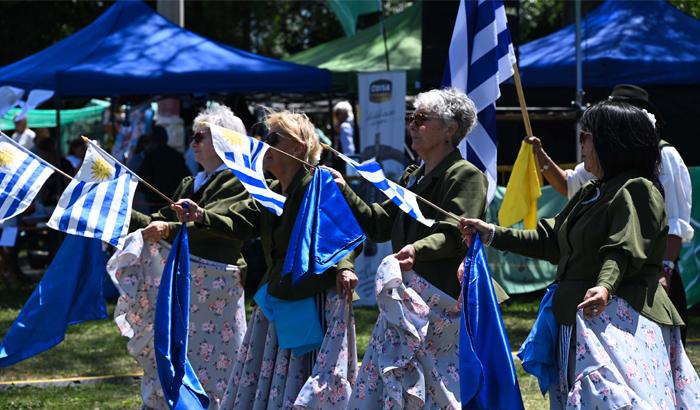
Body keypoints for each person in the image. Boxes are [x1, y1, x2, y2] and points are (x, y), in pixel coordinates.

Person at [461, 100, 700, 408]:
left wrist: (604, 286)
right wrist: (492, 233)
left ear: (611, 141)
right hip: (579, 318)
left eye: (585, 136)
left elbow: (623, 249)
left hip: (619, 321)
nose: (581, 144)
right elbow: (551, 240)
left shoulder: (637, 188)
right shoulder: (593, 191)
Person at [329, 87, 505, 408]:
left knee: (437, 392)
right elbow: (380, 224)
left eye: (422, 119)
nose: (412, 124)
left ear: (450, 130)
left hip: (438, 301)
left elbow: (454, 232)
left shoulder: (466, 176)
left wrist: (416, 249)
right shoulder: (412, 175)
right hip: (405, 298)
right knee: (387, 385)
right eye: (412, 117)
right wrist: (345, 191)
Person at [173, 110, 359, 409]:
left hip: (316, 301)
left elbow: (342, 233)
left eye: (273, 138)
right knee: (270, 379)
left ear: (298, 147)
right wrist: (202, 215)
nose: (263, 144)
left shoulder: (319, 184)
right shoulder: (270, 191)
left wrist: (345, 268)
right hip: (279, 297)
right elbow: (240, 221)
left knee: (312, 381)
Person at [528, 84, 693, 344]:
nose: (585, 139)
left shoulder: (664, 155)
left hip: (653, 270)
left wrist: (666, 269)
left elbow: (675, 220)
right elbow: (569, 185)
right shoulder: (605, 165)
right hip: (611, 283)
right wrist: (540, 156)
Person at [111, 104, 250, 409]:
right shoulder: (191, 183)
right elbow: (157, 221)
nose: (193, 143)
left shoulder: (238, 182)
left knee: (214, 366)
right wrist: (119, 214)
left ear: (224, 140)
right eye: (193, 136)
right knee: (177, 354)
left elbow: (218, 225)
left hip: (215, 290)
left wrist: (168, 229)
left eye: (200, 136)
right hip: (183, 287)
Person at [137, 124, 191, 212]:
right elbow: (186, 177)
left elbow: (142, 181)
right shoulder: (176, 155)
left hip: (155, 202)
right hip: (173, 201)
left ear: (153, 140)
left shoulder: (151, 157)